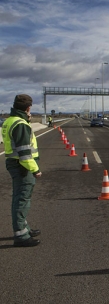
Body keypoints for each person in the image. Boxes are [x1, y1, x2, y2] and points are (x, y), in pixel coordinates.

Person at [2, 94, 42, 247]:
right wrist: (36, 170)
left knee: (19, 197)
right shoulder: (21, 125)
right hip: (22, 166)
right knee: (22, 199)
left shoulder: (10, 121)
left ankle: (24, 228)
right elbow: (25, 154)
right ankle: (21, 235)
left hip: (14, 163)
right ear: (28, 108)